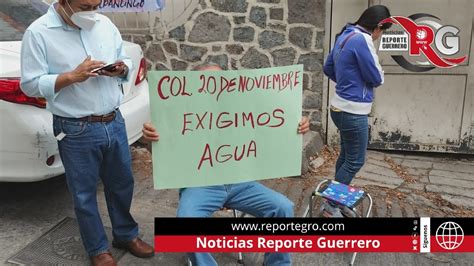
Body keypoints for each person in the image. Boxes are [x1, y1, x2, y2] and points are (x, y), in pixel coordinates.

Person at [20, 0, 153, 265]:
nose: (91, 10)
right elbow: (30, 85)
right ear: (64, 2)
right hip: (75, 128)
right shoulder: (39, 32)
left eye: (96, 3)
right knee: (83, 194)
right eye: (84, 5)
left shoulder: (103, 24)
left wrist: (121, 68)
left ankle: (125, 234)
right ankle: (97, 249)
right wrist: (71, 76)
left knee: (122, 184)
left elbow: (123, 58)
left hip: (113, 121)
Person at [142, 64, 309, 266]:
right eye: (207, 84)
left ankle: (278, 263)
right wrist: (150, 139)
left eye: (219, 82)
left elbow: (273, 125)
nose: (214, 88)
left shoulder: (242, 110)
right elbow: (166, 154)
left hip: (241, 183)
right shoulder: (180, 115)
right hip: (200, 185)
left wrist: (296, 126)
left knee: (283, 207)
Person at [322, 5, 392, 217]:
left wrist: (346, 82)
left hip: (339, 107)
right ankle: (330, 205)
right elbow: (376, 78)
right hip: (354, 112)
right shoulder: (363, 39)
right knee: (355, 160)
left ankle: (337, 198)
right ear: (378, 26)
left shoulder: (345, 34)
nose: (380, 36)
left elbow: (328, 67)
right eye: (383, 31)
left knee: (345, 156)